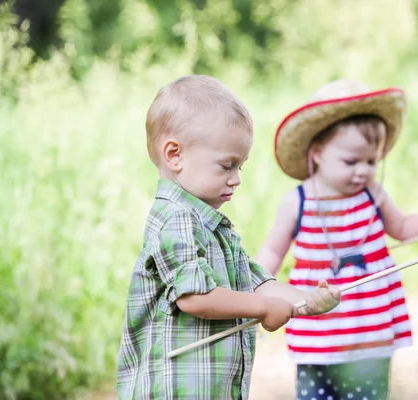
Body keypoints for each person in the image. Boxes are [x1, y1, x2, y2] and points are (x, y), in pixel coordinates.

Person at [116, 75, 341, 400]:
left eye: (241, 167)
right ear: (175, 155)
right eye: (226, 166)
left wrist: (306, 301)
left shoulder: (215, 227)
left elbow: (257, 284)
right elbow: (195, 298)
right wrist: (263, 308)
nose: (236, 179)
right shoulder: (176, 220)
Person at [256, 79, 418, 400]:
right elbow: (273, 250)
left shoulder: (373, 195)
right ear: (317, 154)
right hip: (319, 329)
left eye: (371, 161)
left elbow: (403, 226)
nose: (362, 171)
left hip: (369, 328)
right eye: (350, 162)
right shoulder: (298, 201)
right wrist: (255, 290)